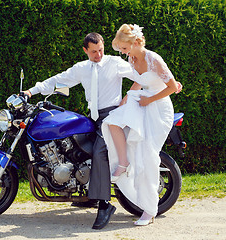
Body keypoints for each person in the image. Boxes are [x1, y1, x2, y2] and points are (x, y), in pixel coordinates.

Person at [22, 32, 137, 230]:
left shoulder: (115, 62)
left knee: (100, 153)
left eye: (100, 50)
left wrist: (128, 96)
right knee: (79, 149)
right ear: (85, 50)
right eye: (94, 52)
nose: (98, 55)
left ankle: (104, 204)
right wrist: (31, 91)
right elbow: (59, 80)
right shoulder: (82, 68)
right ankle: (88, 195)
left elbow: (141, 75)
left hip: (111, 116)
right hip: (92, 117)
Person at [101, 23, 179, 226]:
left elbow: (171, 87)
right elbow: (139, 80)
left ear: (136, 42)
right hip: (142, 100)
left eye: (124, 49)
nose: (123, 53)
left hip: (159, 109)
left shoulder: (154, 59)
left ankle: (150, 210)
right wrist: (127, 97)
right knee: (112, 122)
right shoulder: (132, 57)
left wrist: (149, 100)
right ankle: (123, 163)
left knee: (147, 156)